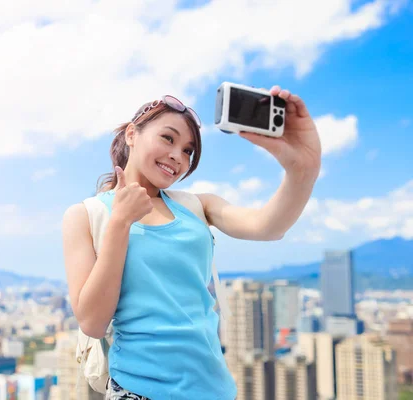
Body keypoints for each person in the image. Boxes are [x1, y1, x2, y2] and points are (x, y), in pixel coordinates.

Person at [62, 86, 321, 400]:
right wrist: (120, 222)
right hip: (138, 391)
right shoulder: (85, 215)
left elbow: (269, 227)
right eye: (168, 139)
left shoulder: (198, 206)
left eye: (188, 151)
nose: (178, 157)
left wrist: (303, 168)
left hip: (214, 391)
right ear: (132, 134)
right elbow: (92, 321)